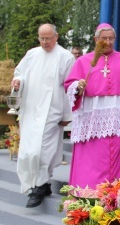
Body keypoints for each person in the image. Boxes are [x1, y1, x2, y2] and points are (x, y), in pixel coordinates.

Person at [64, 23, 120, 189]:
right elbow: (70, 85)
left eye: (111, 39)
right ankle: (88, 190)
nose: (108, 42)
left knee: (115, 154)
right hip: (90, 117)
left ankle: (113, 194)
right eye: (104, 39)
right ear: (95, 39)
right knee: (90, 157)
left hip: (116, 117)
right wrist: (78, 86)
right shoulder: (83, 61)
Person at [11, 23, 74, 208]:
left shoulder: (66, 57)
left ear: (56, 37)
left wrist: (67, 114)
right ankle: (43, 183)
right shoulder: (32, 54)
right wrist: (17, 82)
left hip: (52, 111)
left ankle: (37, 188)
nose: (45, 42)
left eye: (48, 38)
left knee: (42, 151)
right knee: (28, 151)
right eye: (42, 38)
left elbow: (69, 87)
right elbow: (20, 74)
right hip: (30, 110)